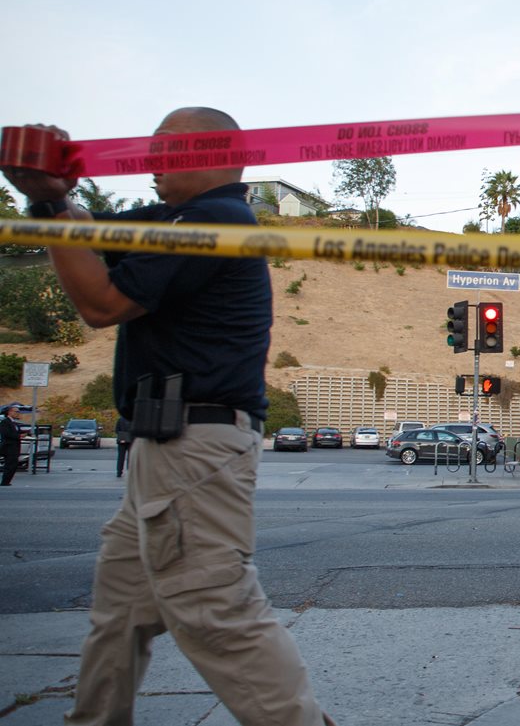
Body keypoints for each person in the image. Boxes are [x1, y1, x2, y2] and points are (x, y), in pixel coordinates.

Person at [2, 109, 336, 726]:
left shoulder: (213, 223)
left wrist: (49, 207)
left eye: (164, 148)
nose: (149, 160)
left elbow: (102, 303)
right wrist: (55, 197)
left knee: (216, 611)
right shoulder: (178, 220)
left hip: (191, 449)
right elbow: (87, 231)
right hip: (169, 449)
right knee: (119, 613)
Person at [0, 404, 22, 486]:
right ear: (9, 412)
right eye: (16, 411)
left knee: (13, 464)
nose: (17, 413)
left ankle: (7, 481)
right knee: (10, 464)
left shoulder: (14, 423)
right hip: (9, 447)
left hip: (15, 447)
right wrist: (19, 436)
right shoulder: (5, 422)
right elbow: (6, 434)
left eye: (18, 412)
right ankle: (5, 481)